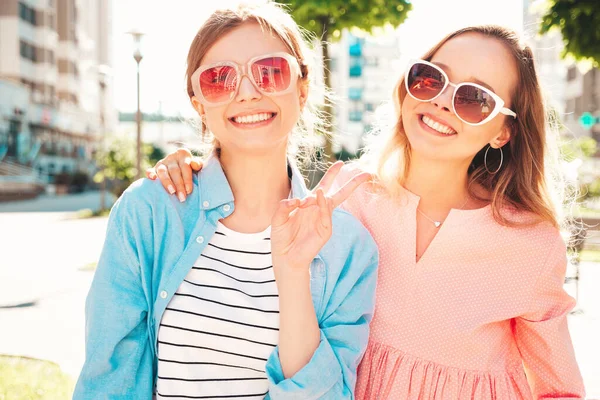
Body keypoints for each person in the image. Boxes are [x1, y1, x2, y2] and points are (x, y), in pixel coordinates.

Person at [149, 25, 586, 399]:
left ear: (503, 131)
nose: (442, 102)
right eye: (431, 79)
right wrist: (196, 164)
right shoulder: (347, 195)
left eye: (473, 98)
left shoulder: (529, 243)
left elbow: (558, 388)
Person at [73, 2, 379, 399]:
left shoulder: (349, 249)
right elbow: (109, 376)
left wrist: (293, 273)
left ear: (301, 90)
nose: (248, 92)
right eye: (220, 79)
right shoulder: (149, 212)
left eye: (270, 72)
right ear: (199, 102)